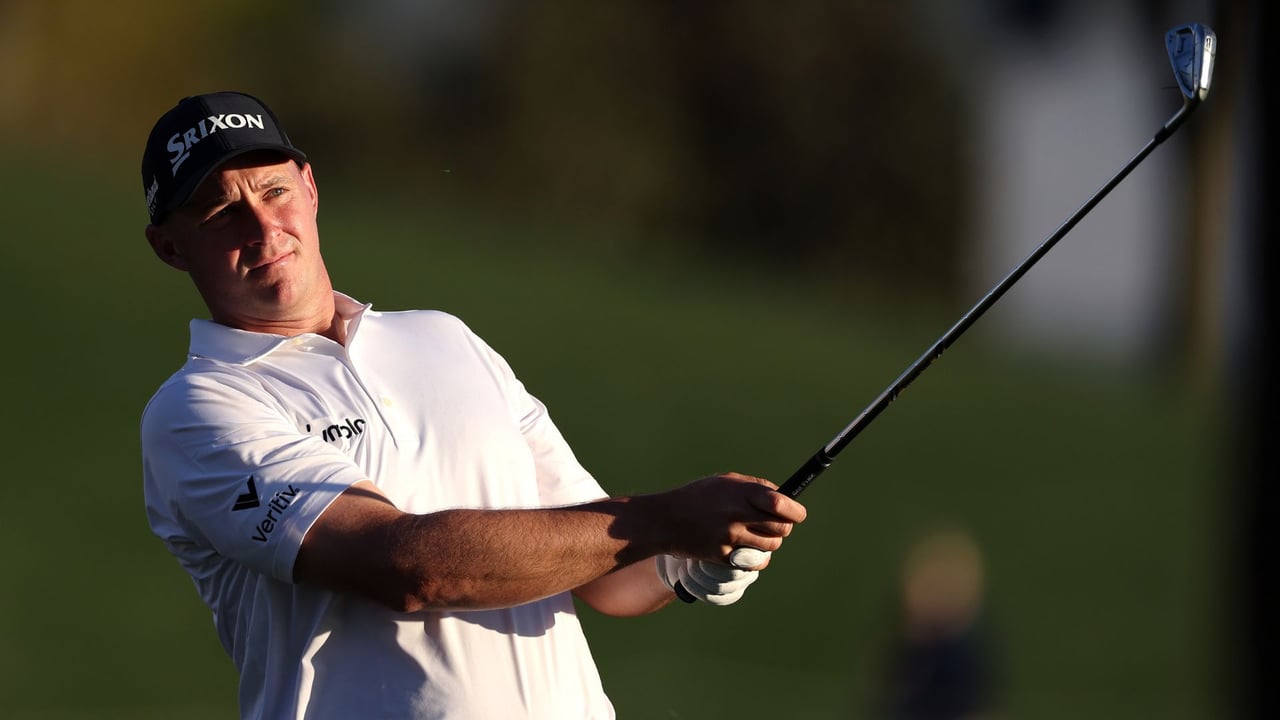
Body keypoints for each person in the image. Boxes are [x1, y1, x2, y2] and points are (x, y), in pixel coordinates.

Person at [138, 91, 807, 720]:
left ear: (310, 188)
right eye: (220, 212)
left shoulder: (442, 337)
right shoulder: (196, 411)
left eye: (274, 191)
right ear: (169, 247)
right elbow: (405, 567)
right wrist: (664, 521)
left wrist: (690, 560)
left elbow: (608, 575)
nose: (263, 226)